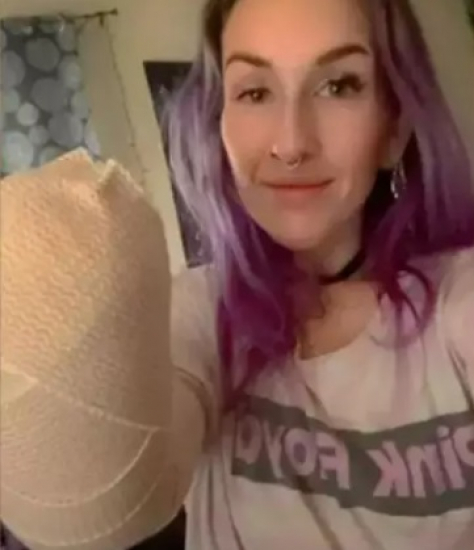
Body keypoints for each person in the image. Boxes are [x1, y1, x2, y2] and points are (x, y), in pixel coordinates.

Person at [1, 0, 474, 549]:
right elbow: (102, 511)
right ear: (219, 126)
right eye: (254, 92)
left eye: (338, 85)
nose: (291, 144)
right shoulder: (199, 313)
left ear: (393, 129)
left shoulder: (459, 300)